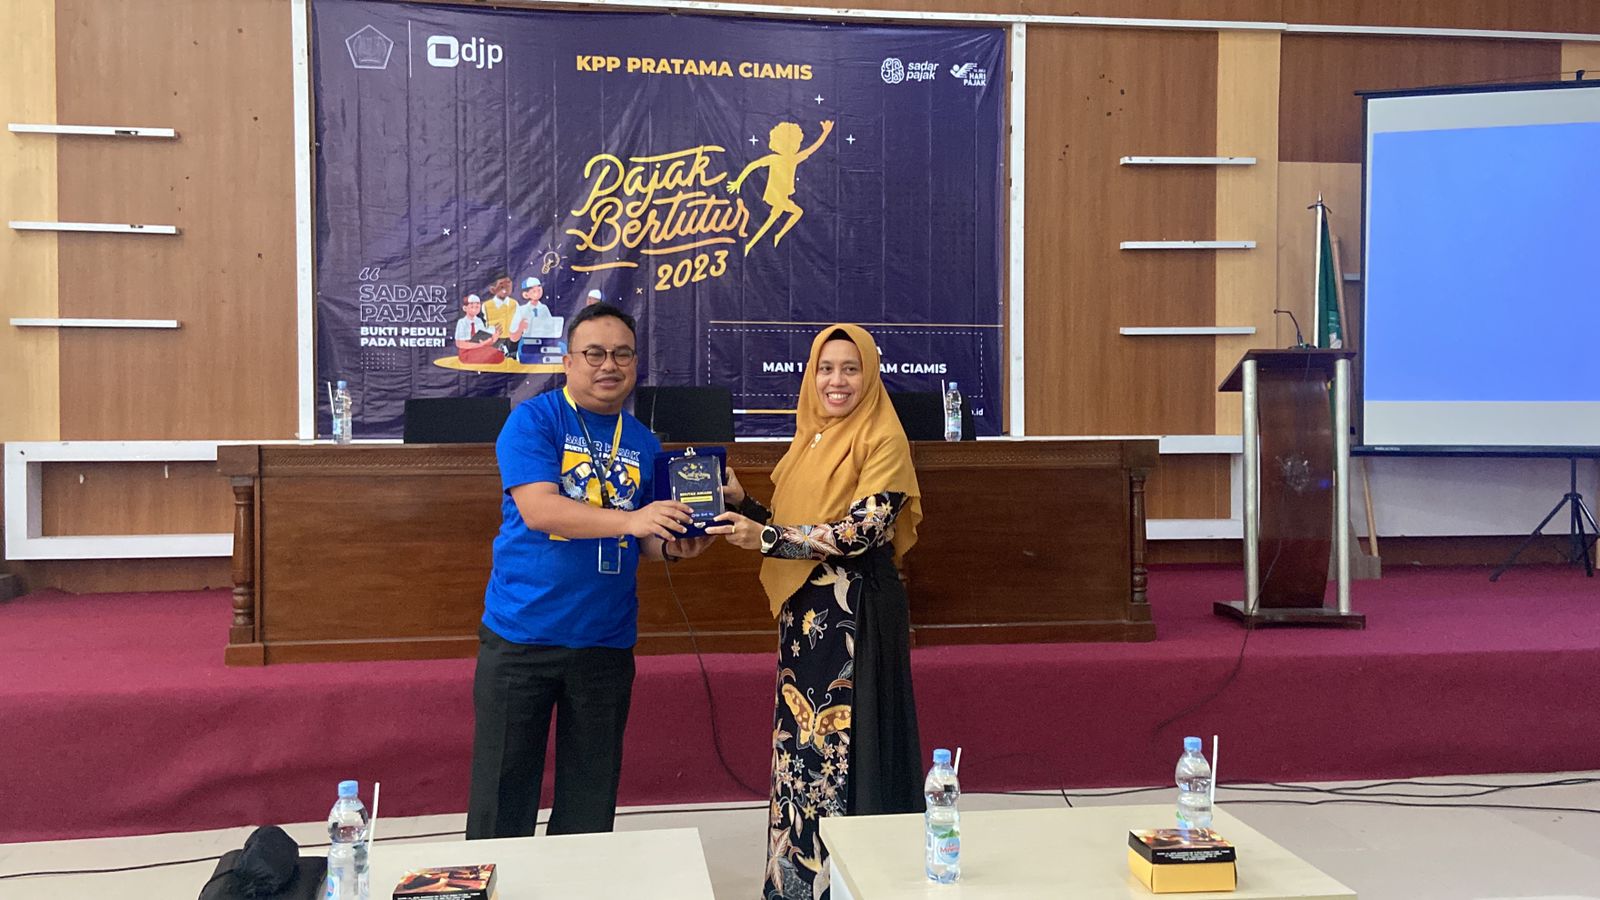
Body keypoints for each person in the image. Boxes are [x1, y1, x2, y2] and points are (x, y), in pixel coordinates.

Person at [467, 302, 714, 840]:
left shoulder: (643, 441)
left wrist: (674, 546)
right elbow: (540, 510)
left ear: (635, 363)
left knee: (590, 802)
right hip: (522, 638)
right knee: (501, 800)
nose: (609, 365)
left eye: (622, 354)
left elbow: (644, 539)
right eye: (594, 353)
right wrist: (633, 520)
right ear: (568, 361)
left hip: (605, 641)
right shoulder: (534, 420)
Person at [708, 323, 923, 900]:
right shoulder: (812, 439)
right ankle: (797, 884)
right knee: (801, 747)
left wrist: (763, 537)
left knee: (849, 751)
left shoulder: (883, 439)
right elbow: (793, 526)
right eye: (826, 368)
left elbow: (859, 532)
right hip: (807, 620)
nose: (836, 380)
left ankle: (854, 886)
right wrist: (744, 504)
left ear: (869, 374)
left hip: (858, 616)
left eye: (851, 368)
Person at [727, 119, 833, 255]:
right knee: (797, 212)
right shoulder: (775, 159)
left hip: (780, 195)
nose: (796, 146)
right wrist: (738, 182)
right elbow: (752, 165)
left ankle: (753, 244)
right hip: (776, 196)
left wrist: (825, 133)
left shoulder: (793, 159)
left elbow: (812, 149)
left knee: (770, 221)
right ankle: (777, 235)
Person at [454, 293, 504, 365]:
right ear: (465, 308)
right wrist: (482, 344)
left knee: (499, 355)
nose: (475, 309)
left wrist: (493, 339)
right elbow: (460, 344)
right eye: (472, 307)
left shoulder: (479, 321)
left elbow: (483, 339)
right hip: (467, 352)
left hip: (480, 349)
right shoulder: (462, 322)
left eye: (477, 307)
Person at [481, 273, 523, 356]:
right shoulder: (486, 305)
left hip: (513, 342)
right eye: (501, 285)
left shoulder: (514, 304)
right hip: (493, 342)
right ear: (493, 289)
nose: (506, 287)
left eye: (508, 283)